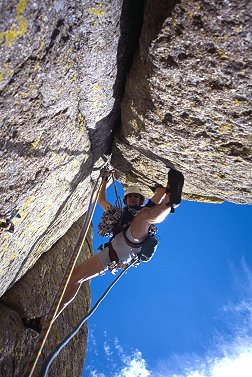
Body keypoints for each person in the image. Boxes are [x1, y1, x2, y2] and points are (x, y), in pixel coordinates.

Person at [23, 169, 184, 331]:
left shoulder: (146, 208)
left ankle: (172, 203)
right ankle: (46, 320)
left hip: (133, 241)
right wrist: (105, 180)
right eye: (130, 197)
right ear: (126, 200)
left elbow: (160, 193)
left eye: (136, 196)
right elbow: (100, 199)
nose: (133, 198)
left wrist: (163, 192)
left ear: (141, 199)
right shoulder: (117, 213)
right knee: (74, 277)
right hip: (112, 254)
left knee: (144, 216)